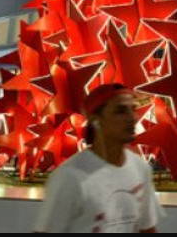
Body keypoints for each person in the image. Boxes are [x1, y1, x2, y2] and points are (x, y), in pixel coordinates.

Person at [34, 84, 164, 233]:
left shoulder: (140, 168)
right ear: (95, 119)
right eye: (120, 111)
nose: (132, 118)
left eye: (133, 109)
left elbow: (146, 228)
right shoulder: (69, 177)